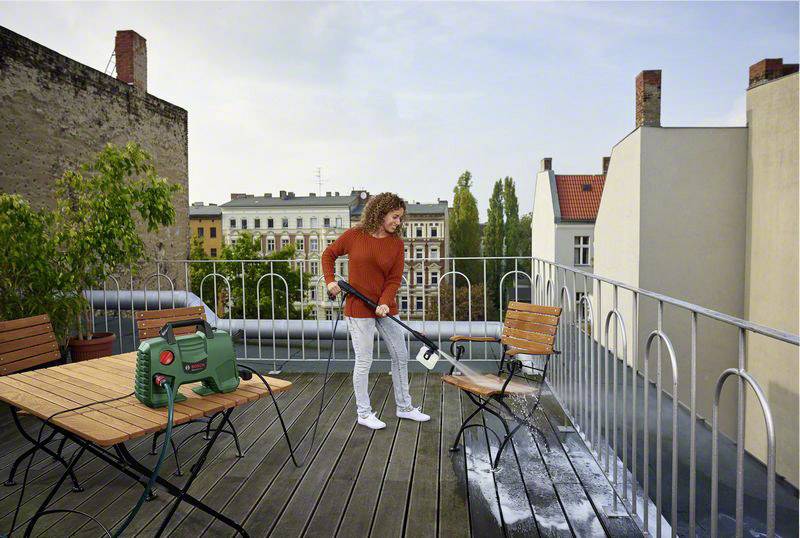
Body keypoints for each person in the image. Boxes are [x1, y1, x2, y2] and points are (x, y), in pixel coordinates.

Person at [322, 192, 430, 429]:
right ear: (380, 213)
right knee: (364, 360)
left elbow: (394, 279)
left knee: (400, 356)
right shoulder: (354, 235)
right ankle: (364, 413)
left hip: (385, 307)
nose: (398, 222)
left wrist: (384, 301)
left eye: (400, 218)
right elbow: (328, 254)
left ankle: (404, 407)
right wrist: (330, 281)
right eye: (394, 216)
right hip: (358, 308)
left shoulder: (396, 244)